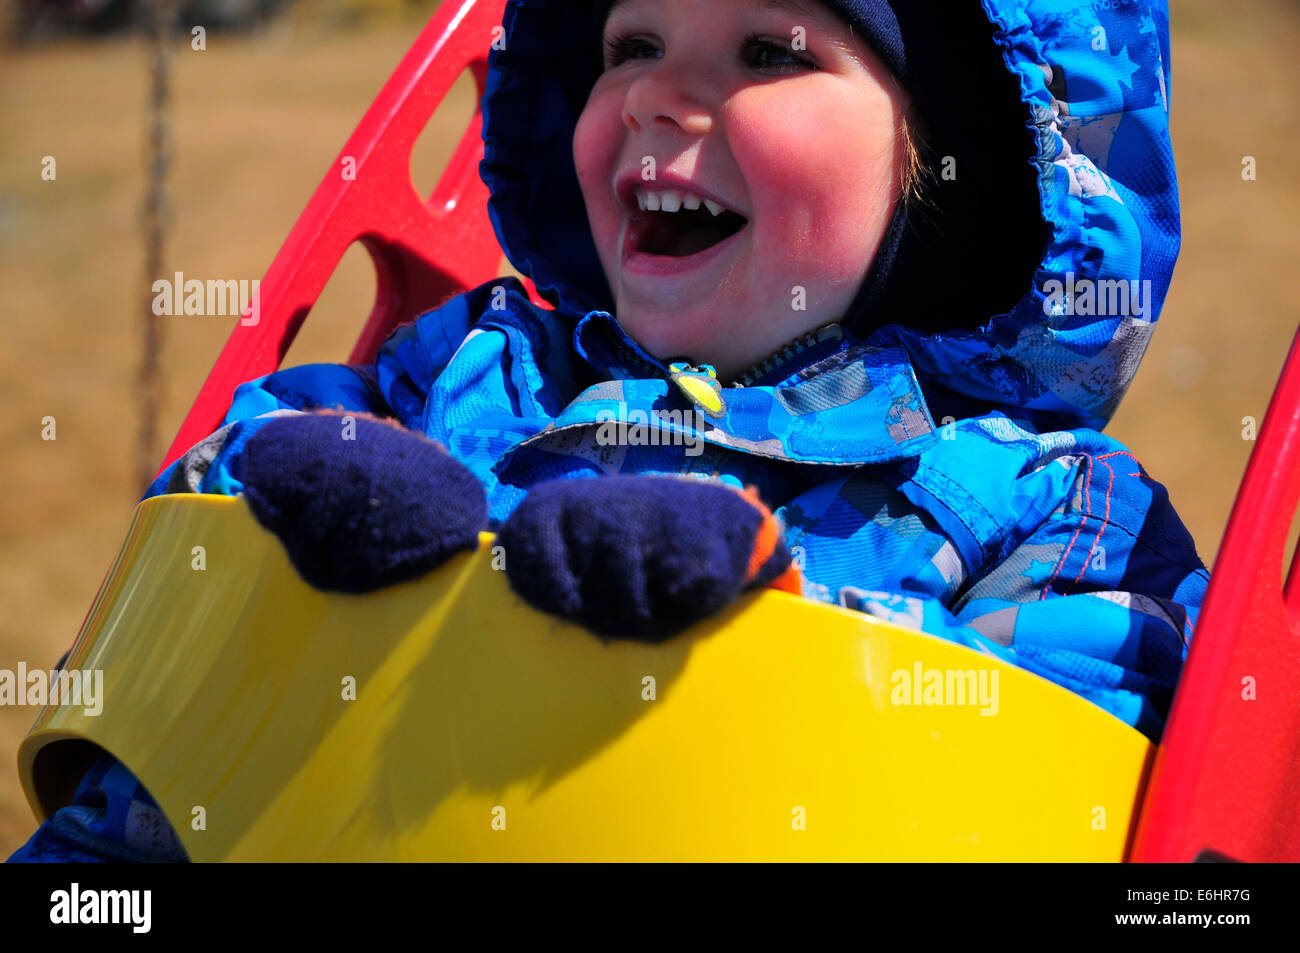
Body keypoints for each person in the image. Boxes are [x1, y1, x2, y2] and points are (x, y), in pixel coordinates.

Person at [10, 0, 1205, 862]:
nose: (656, 96)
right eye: (629, 44)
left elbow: (1077, 757)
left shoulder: (1046, 498)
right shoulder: (479, 365)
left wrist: (759, 622)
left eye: (769, 50)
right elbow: (219, 531)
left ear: (946, 163)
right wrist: (300, 490)